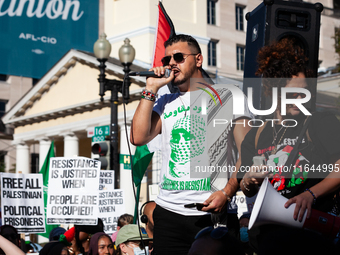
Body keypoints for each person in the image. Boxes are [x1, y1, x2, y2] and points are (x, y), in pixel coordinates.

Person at [130, 34, 252, 254]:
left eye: (178, 57)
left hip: (214, 212)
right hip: (169, 215)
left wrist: (227, 192)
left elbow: (247, 149)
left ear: (198, 60)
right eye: (166, 60)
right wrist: (151, 88)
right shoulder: (165, 100)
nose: (171, 64)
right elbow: (138, 137)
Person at [237, 38, 340, 252]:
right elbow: (245, 187)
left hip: (314, 233)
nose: (300, 100)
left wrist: (310, 194)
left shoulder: (321, 122)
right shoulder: (257, 135)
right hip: (271, 237)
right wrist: (250, 180)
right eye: (292, 94)